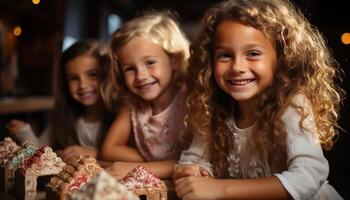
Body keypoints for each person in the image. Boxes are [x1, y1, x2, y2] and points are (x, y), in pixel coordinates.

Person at [173, 0, 344, 199]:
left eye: (253, 54)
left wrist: (220, 189)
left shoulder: (290, 104)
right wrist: (194, 171)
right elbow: (195, 157)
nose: (237, 67)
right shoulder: (215, 107)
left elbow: (309, 175)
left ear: (282, 58)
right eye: (225, 55)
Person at [100, 10, 190, 180]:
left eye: (150, 63)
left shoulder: (189, 101)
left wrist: (140, 168)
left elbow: (192, 163)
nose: (141, 76)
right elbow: (109, 149)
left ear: (175, 60)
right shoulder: (134, 105)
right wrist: (153, 163)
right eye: (130, 69)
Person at [6, 40, 114, 161]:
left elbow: (134, 162)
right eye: (74, 78)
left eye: (93, 74)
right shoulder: (64, 119)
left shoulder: (121, 118)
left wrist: (95, 154)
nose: (83, 85)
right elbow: (39, 151)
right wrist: (24, 132)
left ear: (108, 75)